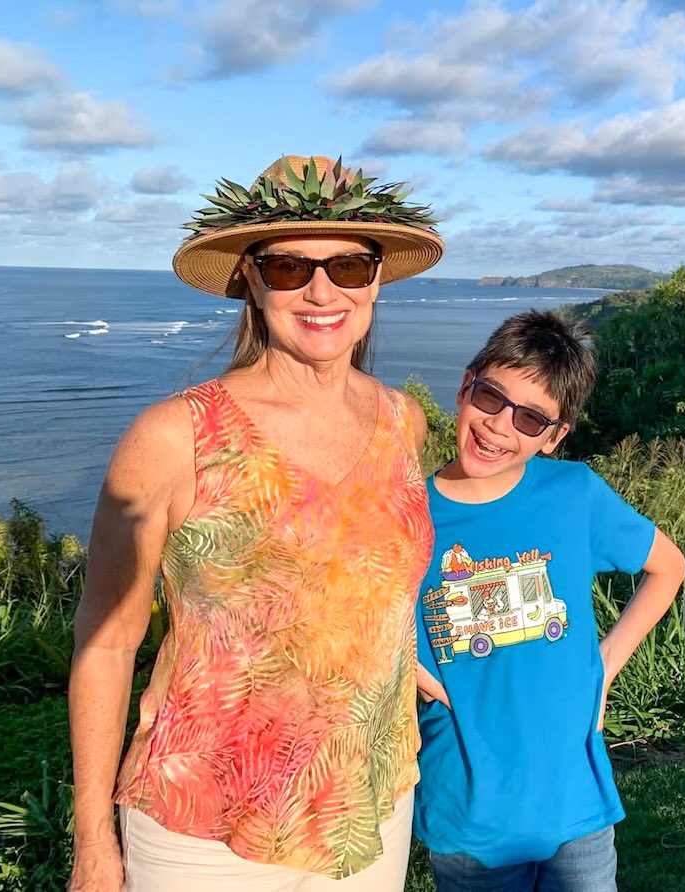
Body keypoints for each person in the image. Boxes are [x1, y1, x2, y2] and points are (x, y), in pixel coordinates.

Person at [67, 155, 443, 891]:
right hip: (204, 825)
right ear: (248, 279)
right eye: (289, 268)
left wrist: (392, 655)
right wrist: (93, 844)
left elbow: (366, 574)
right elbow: (107, 641)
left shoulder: (404, 421)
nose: (322, 290)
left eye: (349, 265)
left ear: (376, 281)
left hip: (368, 806)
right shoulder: (175, 437)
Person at [414, 310, 685, 891]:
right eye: (490, 398)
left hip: (577, 811)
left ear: (555, 436)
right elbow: (336, 607)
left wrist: (605, 666)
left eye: (532, 418)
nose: (498, 427)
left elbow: (668, 567)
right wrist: (391, 658)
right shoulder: (405, 515)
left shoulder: (575, 494)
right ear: (465, 387)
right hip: (469, 818)